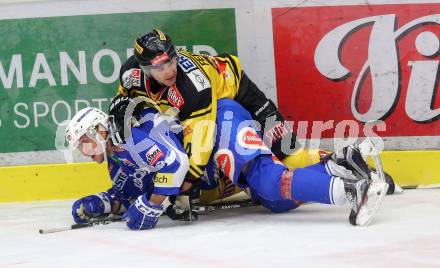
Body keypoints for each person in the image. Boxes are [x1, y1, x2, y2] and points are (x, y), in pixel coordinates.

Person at [65, 99, 388, 230]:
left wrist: (151, 206)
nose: (83, 149)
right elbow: (126, 192)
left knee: (268, 182)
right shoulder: (116, 160)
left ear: (100, 130)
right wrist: (102, 202)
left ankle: (353, 190)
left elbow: (176, 163)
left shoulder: (133, 133)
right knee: (273, 201)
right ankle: (340, 164)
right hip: (213, 162)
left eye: (84, 141)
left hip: (219, 126)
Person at [110, 29, 315, 192]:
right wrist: (120, 105)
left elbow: (201, 136)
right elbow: (124, 95)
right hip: (209, 105)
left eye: (171, 61)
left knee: (289, 154)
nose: (170, 70)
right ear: (145, 69)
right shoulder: (130, 74)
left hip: (237, 89)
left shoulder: (192, 87)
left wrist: (189, 178)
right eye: (160, 67)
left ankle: (337, 162)